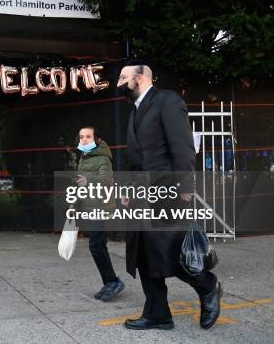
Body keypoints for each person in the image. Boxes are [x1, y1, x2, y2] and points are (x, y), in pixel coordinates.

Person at [117, 60, 221, 330]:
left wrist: (185, 187)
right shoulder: (134, 112)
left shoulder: (167, 101)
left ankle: (208, 286)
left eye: (123, 77)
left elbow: (183, 146)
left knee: (171, 253)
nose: (119, 83)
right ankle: (158, 314)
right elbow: (133, 159)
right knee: (143, 255)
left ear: (139, 77)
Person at [74, 126, 124, 301]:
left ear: (98, 140)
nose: (84, 140)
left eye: (88, 137)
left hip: (100, 207)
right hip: (89, 206)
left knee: (96, 245)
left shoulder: (102, 158)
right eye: (81, 137)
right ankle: (111, 281)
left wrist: (89, 180)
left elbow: (107, 180)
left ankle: (113, 282)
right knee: (98, 246)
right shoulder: (84, 158)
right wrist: (74, 205)